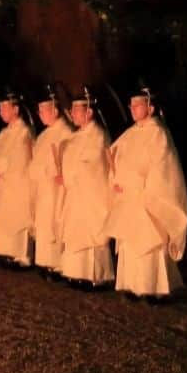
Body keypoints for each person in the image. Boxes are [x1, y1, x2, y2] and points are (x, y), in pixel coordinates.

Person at [104, 85, 187, 299]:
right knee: (131, 245)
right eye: (131, 105)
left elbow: (163, 170)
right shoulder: (129, 134)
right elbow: (116, 161)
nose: (132, 109)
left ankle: (153, 288)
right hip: (128, 198)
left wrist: (135, 185)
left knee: (148, 243)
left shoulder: (158, 134)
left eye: (137, 105)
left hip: (145, 199)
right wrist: (115, 178)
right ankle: (133, 285)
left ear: (150, 108)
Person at [56, 88, 115, 287]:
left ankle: (94, 277)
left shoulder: (98, 135)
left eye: (76, 110)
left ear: (89, 112)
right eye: (72, 110)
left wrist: (73, 174)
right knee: (74, 232)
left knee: (91, 233)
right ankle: (75, 272)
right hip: (75, 193)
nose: (72, 113)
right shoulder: (76, 136)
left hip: (90, 194)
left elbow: (95, 165)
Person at [29, 85, 74, 274]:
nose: (40, 114)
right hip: (42, 188)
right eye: (38, 111)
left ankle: (58, 264)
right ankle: (45, 262)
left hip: (56, 189)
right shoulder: (43, 136)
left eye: (43, 110)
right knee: (44, 225)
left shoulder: (66, 133)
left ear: (55, 111)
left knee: (55, 225)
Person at [0, 88, 35, 266]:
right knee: (4, 216)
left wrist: (3, 170)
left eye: (5, 108)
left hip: (18, 182)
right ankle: (5, 252)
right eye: (0, 109)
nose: (1, 112)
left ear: (16, 109)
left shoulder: (24, 132)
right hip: (4, 182)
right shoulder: (4, 133)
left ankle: (21, 256)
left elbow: (22, 159)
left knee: (18, 217)